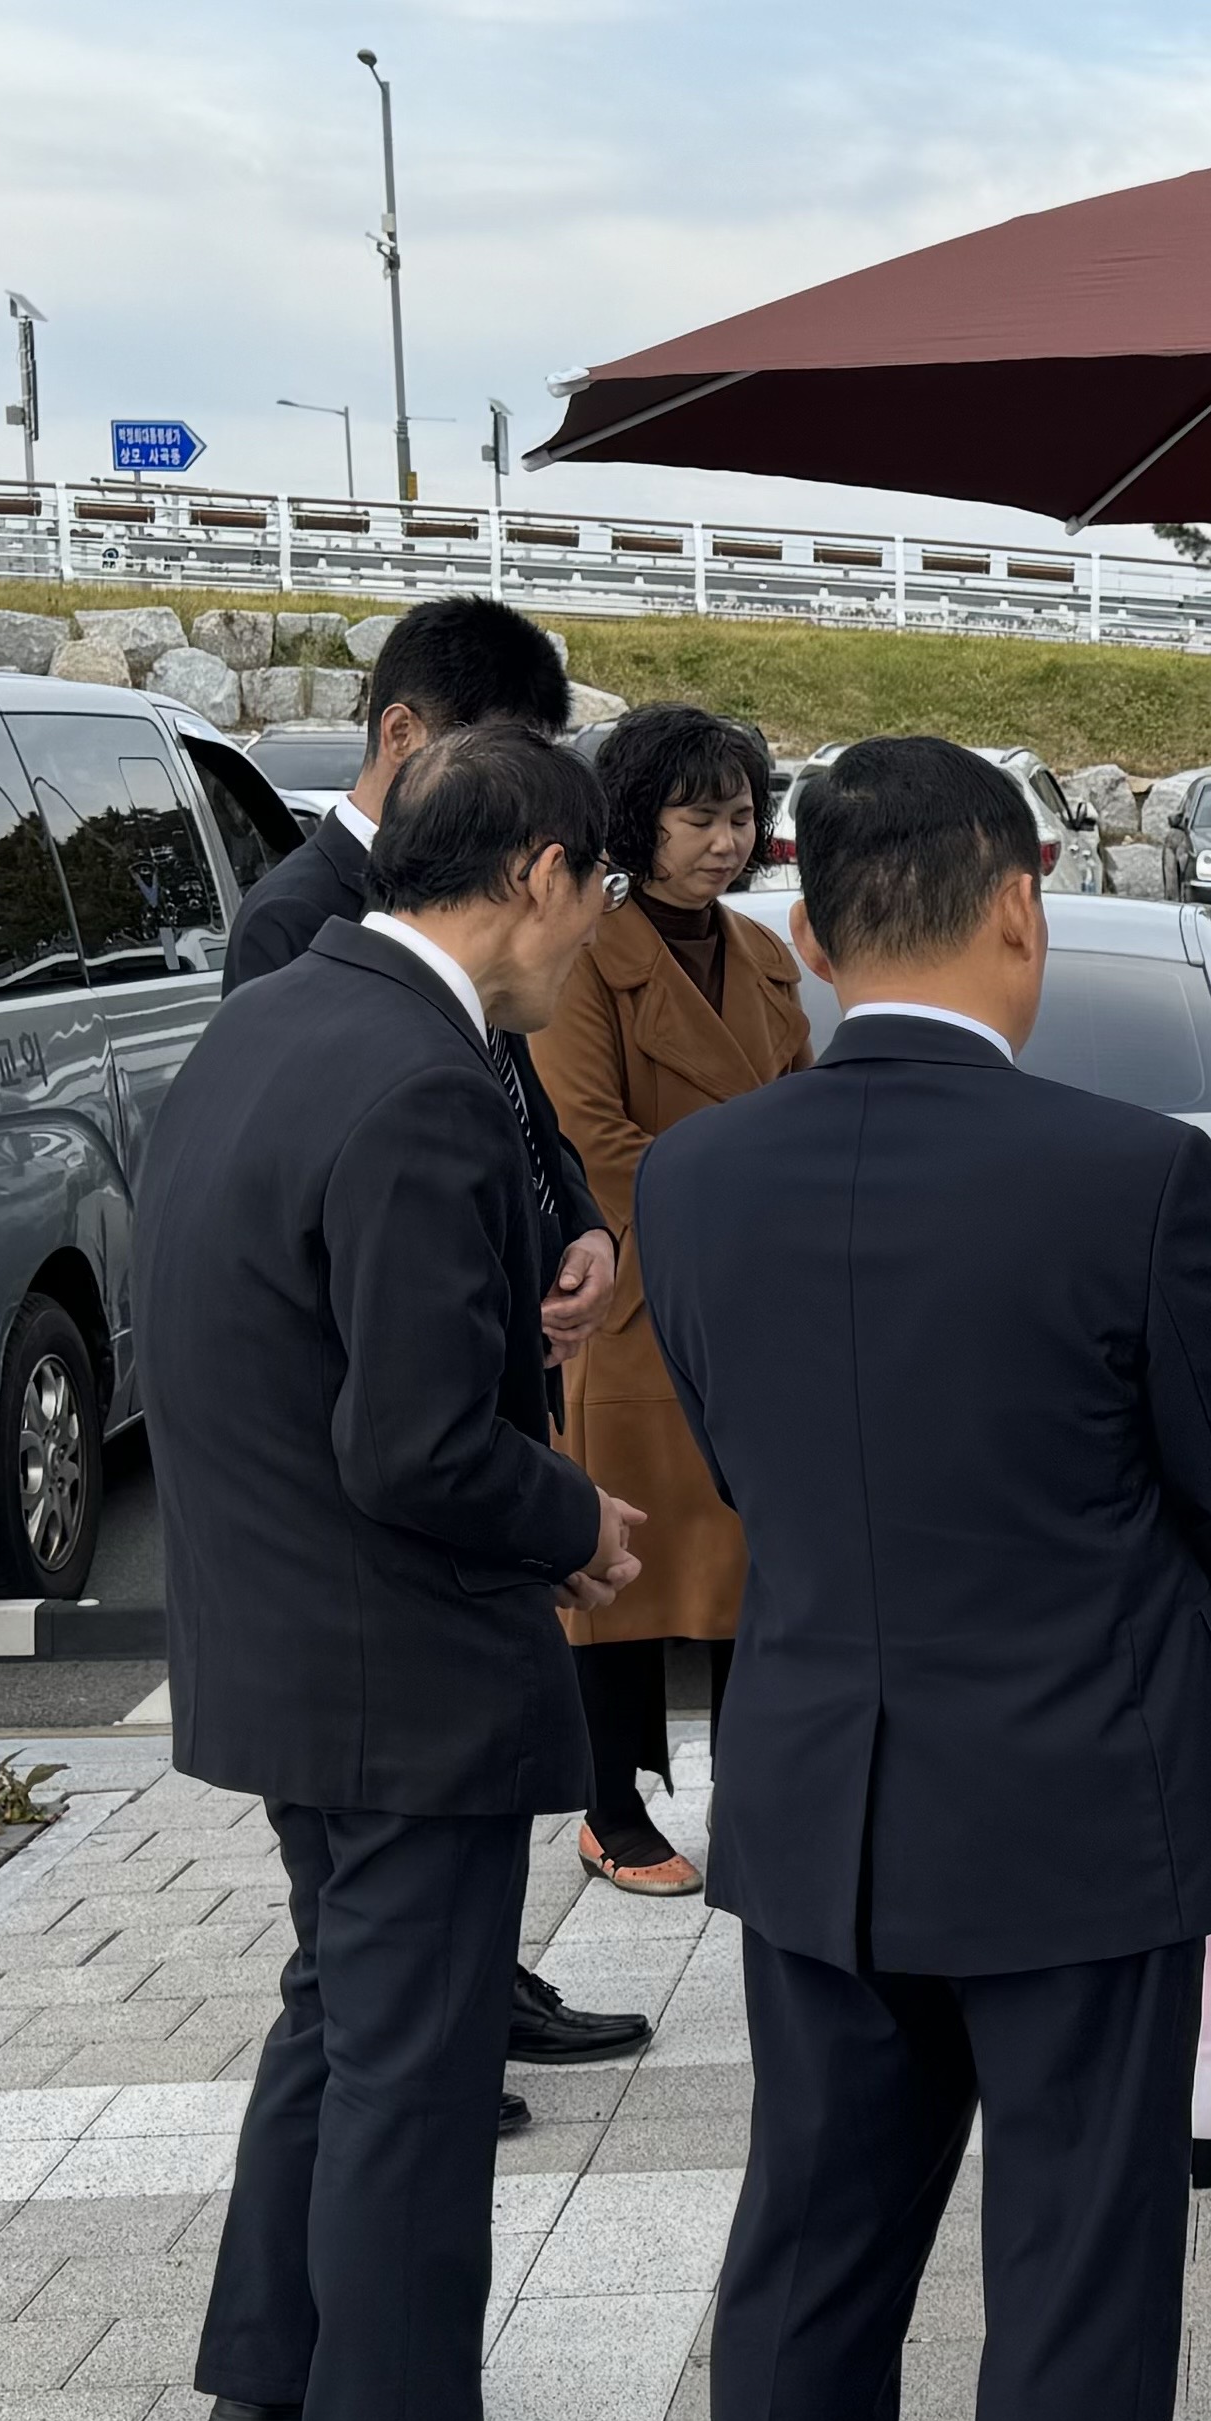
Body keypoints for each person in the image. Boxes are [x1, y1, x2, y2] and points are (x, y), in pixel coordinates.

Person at [634, 738, 1211, 2421]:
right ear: (1020, 904)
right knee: (1077, 2247)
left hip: (820, 1785)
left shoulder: (696, 1177)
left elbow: (747, 1465)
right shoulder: (1123, 1174)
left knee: (813, 2236)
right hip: (1082, 1796)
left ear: (806, 932)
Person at [151, 722, 646, 2421]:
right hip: (394, 1655)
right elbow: (420, 1444)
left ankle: (269, 2387)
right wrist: (570, 1520)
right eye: (597, 890)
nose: (593, 932)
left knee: (340, 2014)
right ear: (541, 873)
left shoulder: (281, 1017)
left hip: (281, 1626)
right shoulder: (425, 1077)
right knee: (414, 2058)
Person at [222, 590, 649, 2074]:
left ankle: (461, 2005)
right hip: (373, 1590)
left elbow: (516, 1104)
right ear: (407, 737)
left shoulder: (433, 970)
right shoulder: (310, 933)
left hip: (395, 1526)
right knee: (387, 2034)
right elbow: (358, 1304)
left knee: (350, 2024)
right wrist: (560, 1512)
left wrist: (573, 1225)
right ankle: (450, 2029)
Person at [531, 706, 807, 1897]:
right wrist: (753, 1210)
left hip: (758, 1308)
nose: (725, 842)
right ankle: (609, 1809)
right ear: (639, 821)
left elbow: (805, 1112)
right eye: (699, 818)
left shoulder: (765, 956)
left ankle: (757, 1800)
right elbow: (590, 1140)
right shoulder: (587, 955)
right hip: (640, 1304)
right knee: (618, 1573)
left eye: (740, 817)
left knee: (755, 1566)